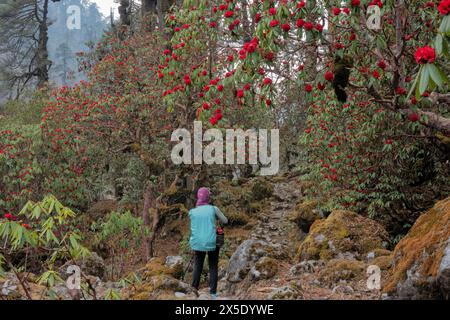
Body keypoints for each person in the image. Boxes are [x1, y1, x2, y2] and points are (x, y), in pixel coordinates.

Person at [189, 187, 228, 298]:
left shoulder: (192, 212)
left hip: (197, 242)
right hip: (212, 241)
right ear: (208, 197)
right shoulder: (213, 209)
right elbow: (225, 220)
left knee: (198, 265)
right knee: (213, 265)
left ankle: (194, 289)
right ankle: (213, 293)